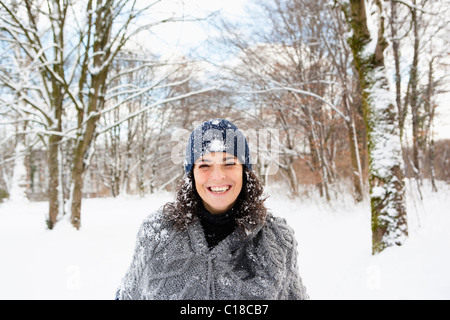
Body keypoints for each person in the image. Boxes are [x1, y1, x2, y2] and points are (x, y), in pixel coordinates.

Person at [116, 119, 309, 300]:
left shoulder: (276, 238)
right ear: (191, 175)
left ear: (244, 171)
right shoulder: (156, 232)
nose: (217, 176)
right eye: (205, 165)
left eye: (229, 163)